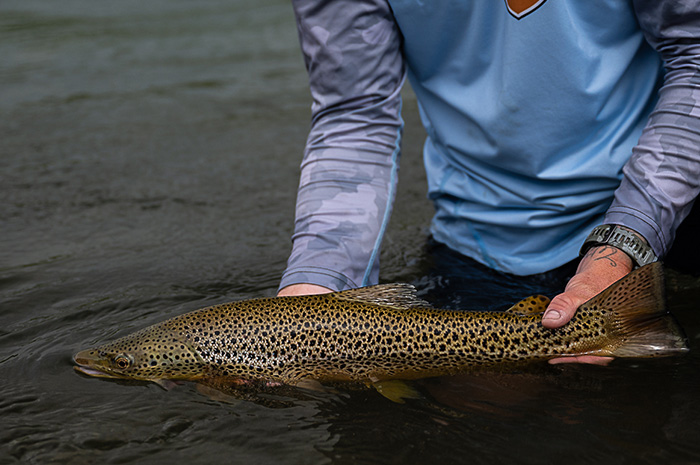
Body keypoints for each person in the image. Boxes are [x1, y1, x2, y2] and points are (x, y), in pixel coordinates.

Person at [277, 0, 700, 362]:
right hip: (488, 234)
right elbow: (356, 117)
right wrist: (317, 282)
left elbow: (695, 56)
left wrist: (624, 244)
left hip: (676, 205)